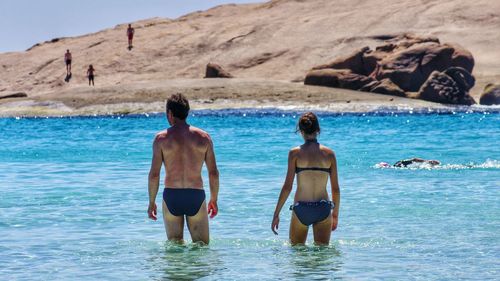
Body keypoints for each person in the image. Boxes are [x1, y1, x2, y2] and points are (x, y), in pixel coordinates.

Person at [147, 93, 219, 244]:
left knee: (174, 249)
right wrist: (214, 199)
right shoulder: (204, 137)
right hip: (196, 195)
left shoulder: (161, 139)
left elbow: (154, 174)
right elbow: (213, 173)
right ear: (187, 112)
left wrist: (151, 202)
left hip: (172, 195)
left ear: (170, 114)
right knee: (201, 247)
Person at [271, 112, 340, 245]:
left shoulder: (294, 153)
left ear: (301, 131)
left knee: (297, 255)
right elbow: (335, 189)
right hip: (323, 209)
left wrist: (276, 214)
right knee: (322, 257)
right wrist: (335, 214)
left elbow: (287, 187)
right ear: (318, 130)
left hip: (301, 209)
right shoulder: (330, 154)